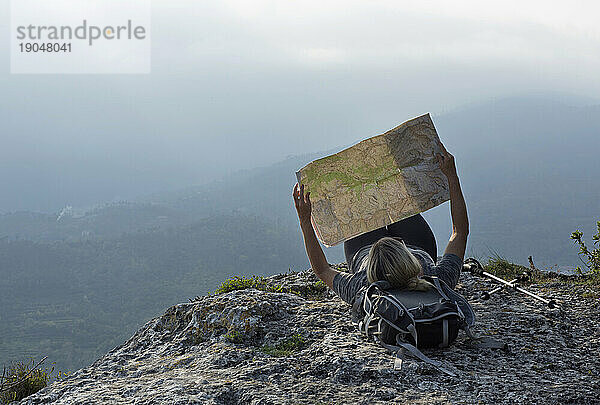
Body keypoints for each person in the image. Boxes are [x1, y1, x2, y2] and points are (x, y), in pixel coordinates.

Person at [292, 144, 469, 306]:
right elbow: (459, 232)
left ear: (371, 266)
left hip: (364, 249)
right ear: (412, 261)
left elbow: (322, 270)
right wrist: (452, 177)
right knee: (398, 202)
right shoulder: (435, 279)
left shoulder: (362, 286)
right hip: (417, 245)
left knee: (363, 202)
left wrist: (305, 220)